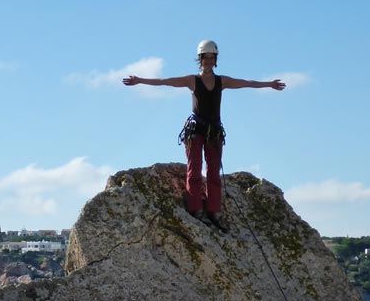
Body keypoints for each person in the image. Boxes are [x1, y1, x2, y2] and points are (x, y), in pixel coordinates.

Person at [122, 40, 285, 232]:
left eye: (211, 58)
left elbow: (247, 83)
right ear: (200, 59)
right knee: (195, 169)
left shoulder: (222, 81)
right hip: (196, 131)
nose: (208, 61)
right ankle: (195, 208)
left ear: (215, 60)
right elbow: (165, 81)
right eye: (205, 57)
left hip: (213, 132)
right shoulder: (192, 81)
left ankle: (214, 210)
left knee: (214, 171)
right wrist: (140, 80)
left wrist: (269, 84)